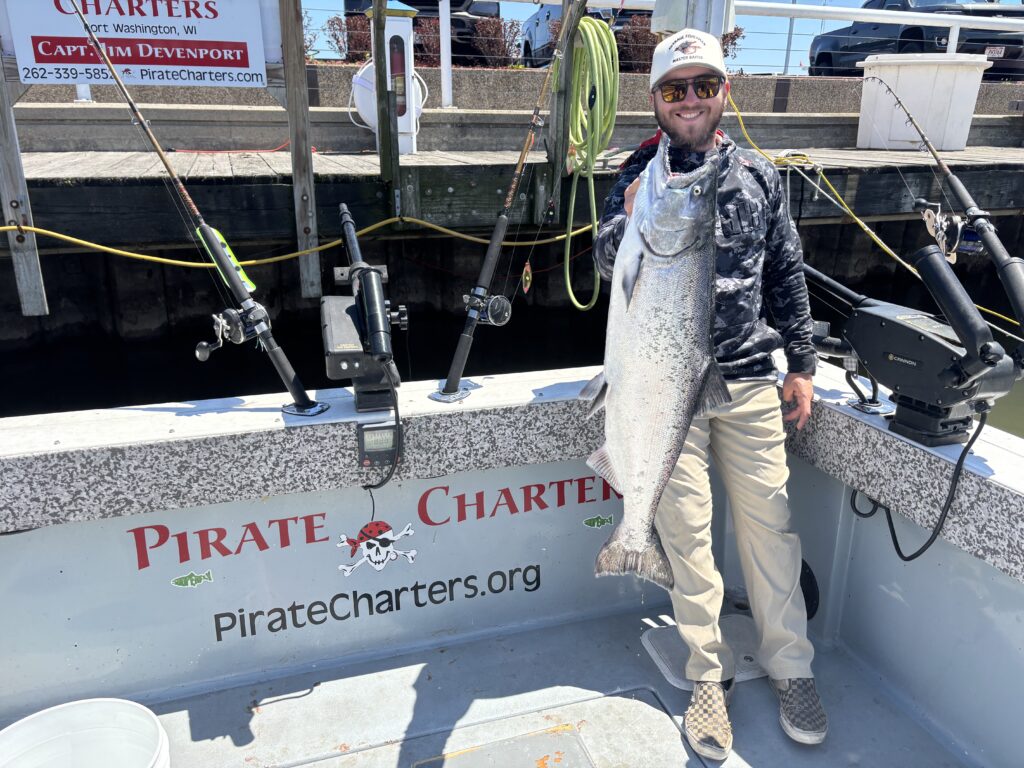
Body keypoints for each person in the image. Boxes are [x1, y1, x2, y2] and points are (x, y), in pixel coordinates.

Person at [593, 28, 827, 762]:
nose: (689, 99)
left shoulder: (759, 174)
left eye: (703, 85)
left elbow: (786, 271)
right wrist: (631, 213)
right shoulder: (635, 173)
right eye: (674, 88)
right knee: (687, 536)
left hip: (749, 378)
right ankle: (706, 674)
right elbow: (603, 261)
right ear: (655, 99)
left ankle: (791, 669)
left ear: (725, 92)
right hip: (662, 388)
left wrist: (803, 364)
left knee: (770, 529)